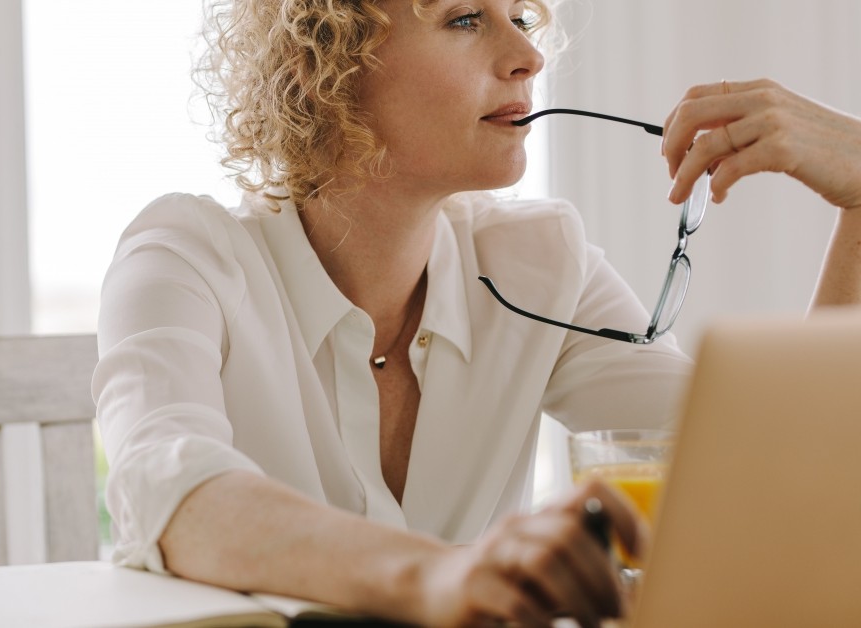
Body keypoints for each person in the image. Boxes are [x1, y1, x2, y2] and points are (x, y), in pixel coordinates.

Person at [92, 0, 861, 626]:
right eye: (465, 18)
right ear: (323, 61)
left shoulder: (539, 261)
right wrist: (448, 575)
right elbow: (170, 490)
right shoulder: (185, 256)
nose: (528, 55)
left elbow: (763, 477)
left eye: (520, 15)